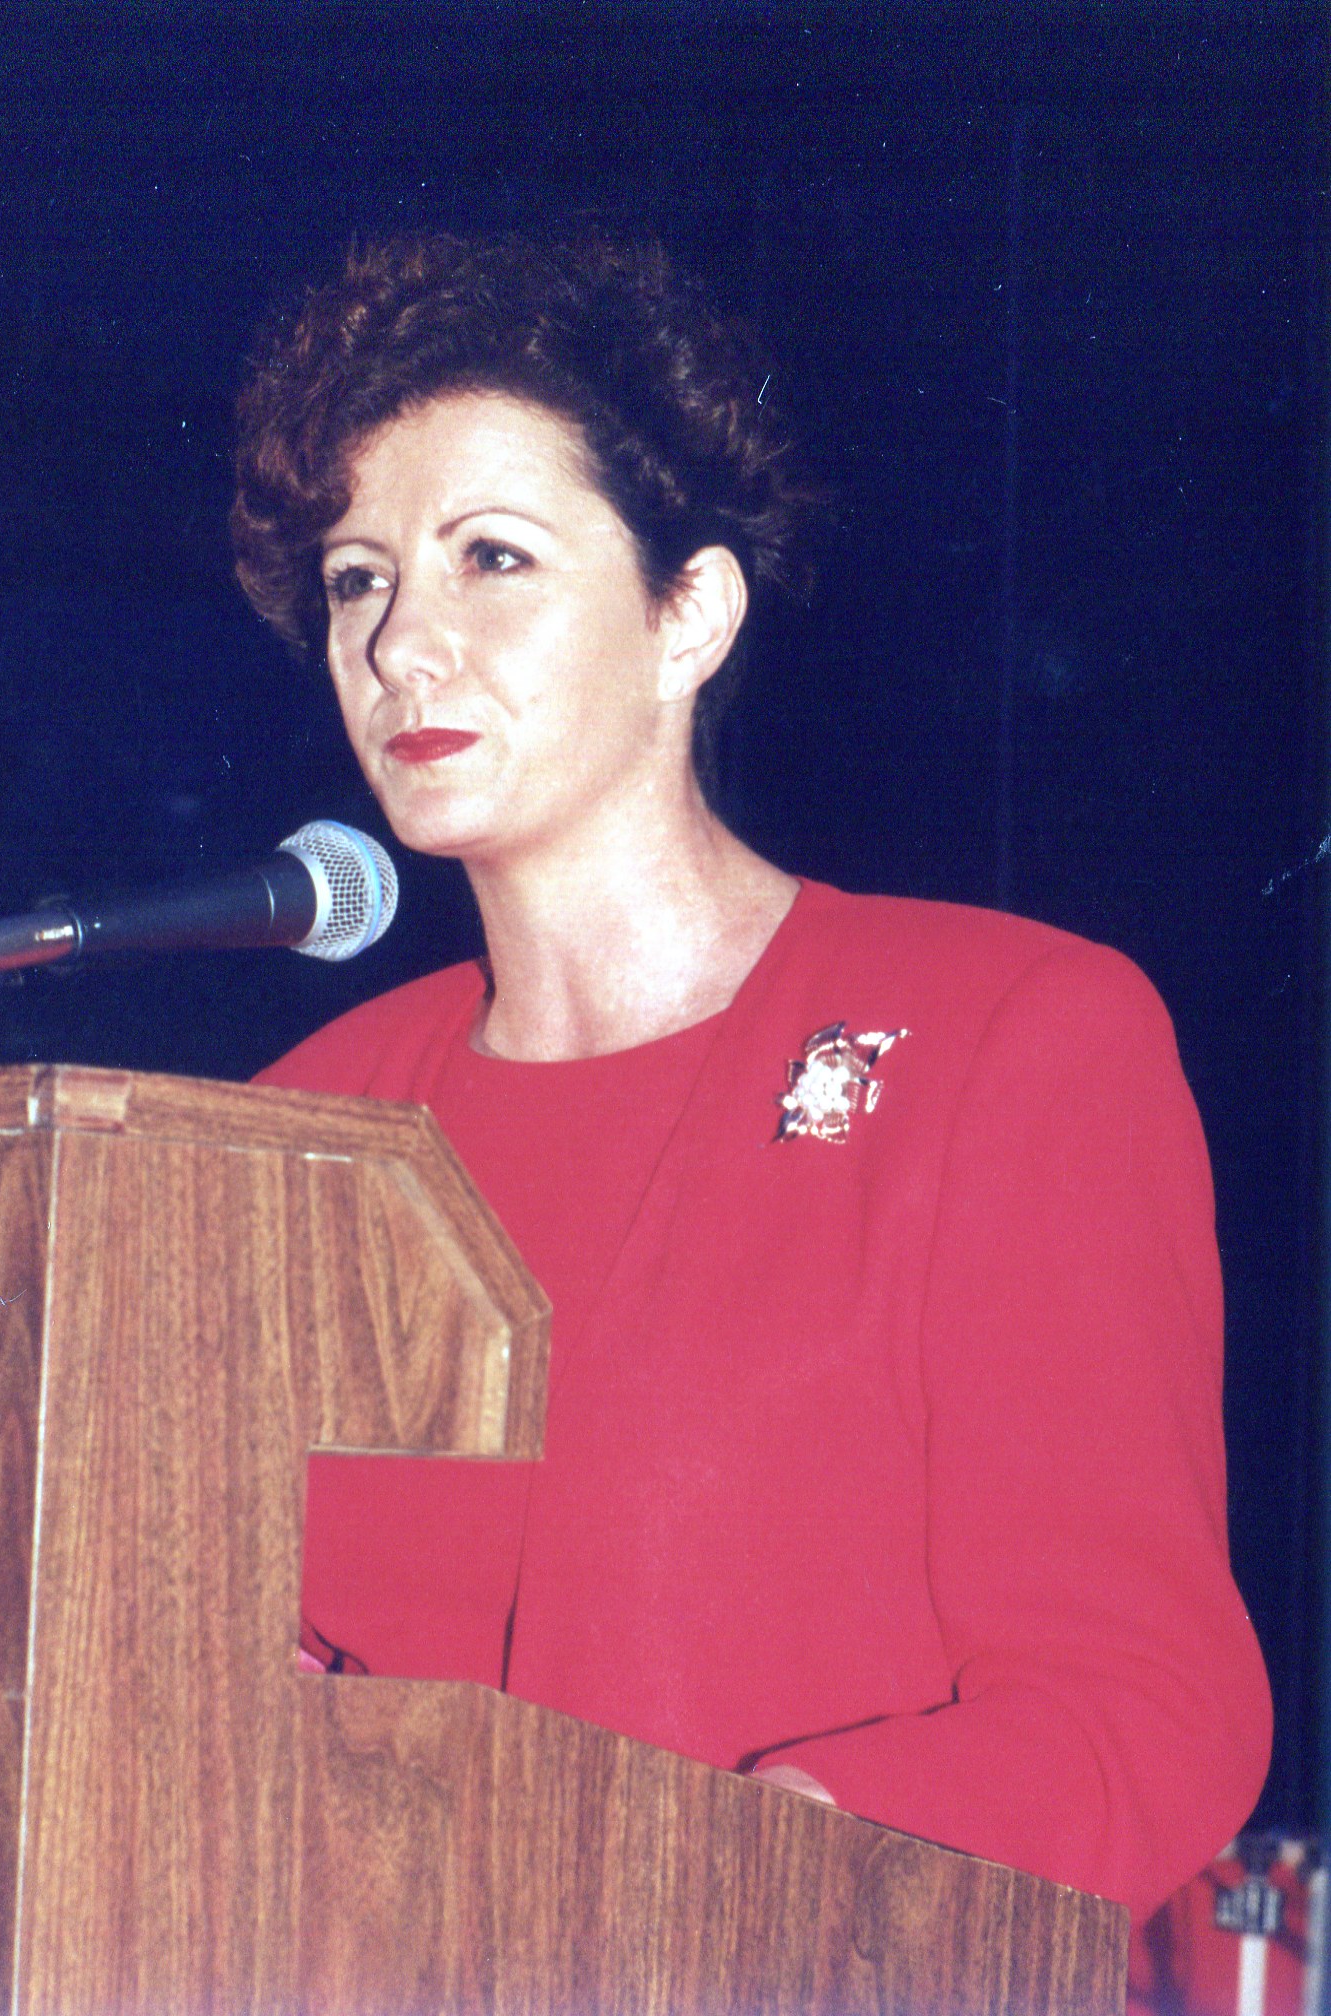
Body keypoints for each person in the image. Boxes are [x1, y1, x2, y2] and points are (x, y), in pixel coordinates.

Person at [233, 232, 1270, 1926]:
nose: (404, 642)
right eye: (359, 580)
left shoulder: (1007, 1037)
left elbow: (1149, 1708)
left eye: (491, 557)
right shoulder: (291, 1128)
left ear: (690, 615)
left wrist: (767, 1869)